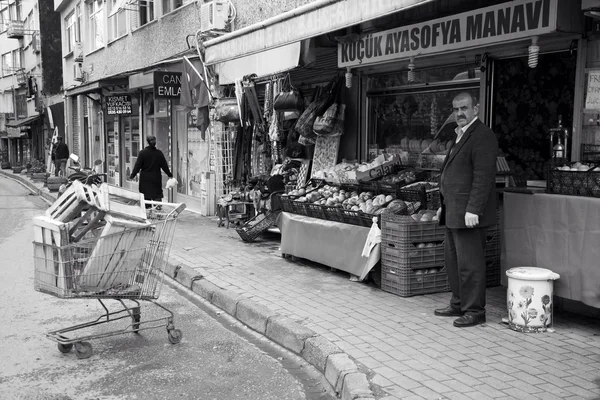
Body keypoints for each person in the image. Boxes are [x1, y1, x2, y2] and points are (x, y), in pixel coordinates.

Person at [434, 92, 498, 328]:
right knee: (453, 261)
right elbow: (450, 175)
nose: (459, 113)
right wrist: (443, 206)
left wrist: (474, 210)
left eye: (464, 108)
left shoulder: (483, 136)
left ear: (476, 109)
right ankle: (458, 303)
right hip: (453, 211)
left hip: (469, 215)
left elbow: (483, 177)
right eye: (456, 109)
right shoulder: (459, 136)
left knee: (470, 264)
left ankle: (475, 311)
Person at [129, 135, 173, 207]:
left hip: (145, 180)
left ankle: (148, 213)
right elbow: (164, 166)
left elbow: (137, 166)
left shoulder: (142, 153)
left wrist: (132, 176)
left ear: (147, 142)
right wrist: (169, 174)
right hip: (156, 179)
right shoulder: (159, 153)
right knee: (157, 196)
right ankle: (158, 213)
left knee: (146, 198)